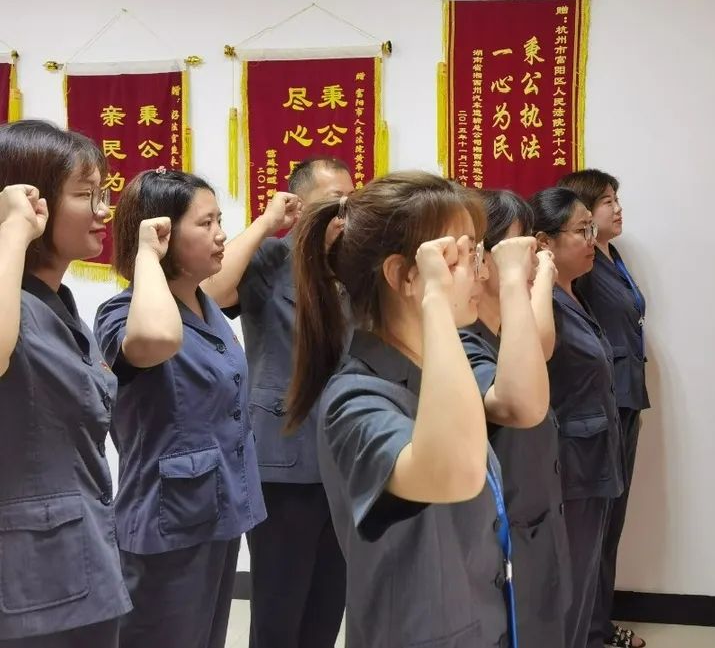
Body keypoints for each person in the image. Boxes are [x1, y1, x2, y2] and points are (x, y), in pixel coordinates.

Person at [287, 172, 510, 648]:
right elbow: (453, 472)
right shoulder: (355, 398)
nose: (481, 272)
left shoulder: (434, 373)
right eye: (459, 256)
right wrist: (436, 298)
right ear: (402, 275)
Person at [94, 170, 267, 648]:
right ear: (163, 233)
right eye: (205, 223)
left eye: (219, 220)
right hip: (168, 519)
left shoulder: (206, 307)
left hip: (223, 506)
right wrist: (146, 255)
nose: (220, 235)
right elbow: (153, 339)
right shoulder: (122, 313)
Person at [202, 158, 352, 648]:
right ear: (300, 206)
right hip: (283, 459)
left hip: (345, 459)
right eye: (333, 202)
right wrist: (268, 221)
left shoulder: (354, 267)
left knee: (328, 606)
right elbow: (212, 291)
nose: (344, 213)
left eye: (350, 201)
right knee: (279, 608)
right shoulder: (270, 259)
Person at [0, 120, 131, 647]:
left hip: (84, 561)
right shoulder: (13, 305)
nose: (103, 210)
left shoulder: (60, 305)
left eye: (103, 193)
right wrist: (12, 229)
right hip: (32, 585)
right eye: (85, 194)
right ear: (34, 203)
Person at [459, 189, 573, 647]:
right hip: (503, 548)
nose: (533, 260)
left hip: (538, 530)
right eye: (521, 247)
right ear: (482, 260)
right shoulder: (462, 342)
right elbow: (514, 401)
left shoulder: (502, 332)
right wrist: (528, 282)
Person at [531, 186, 624, 648]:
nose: (592, 241)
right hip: (570, 465)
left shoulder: (575, 293)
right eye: (581, 231)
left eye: (592, 229)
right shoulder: (542, 303)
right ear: (544, 242)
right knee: (567, 591)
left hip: (595, 458)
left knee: (585, 582)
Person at [561, 170, 649, 648]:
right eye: (607, 201)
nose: (617, 209)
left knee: (610, 523)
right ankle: (592, 632)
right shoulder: (583, 266)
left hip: (627, 398)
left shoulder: (611, 257)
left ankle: (597, 626)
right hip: (603, 403)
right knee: (596, 524)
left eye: (617, 199)